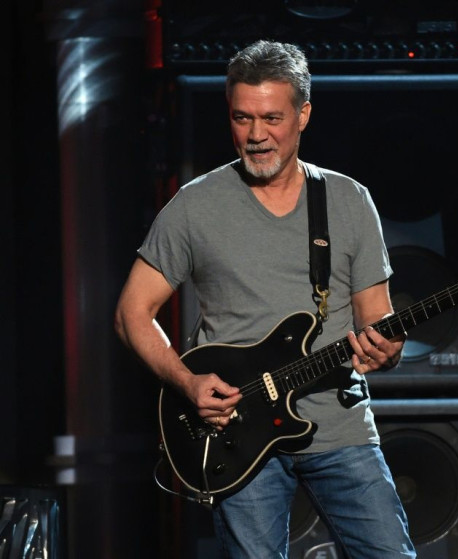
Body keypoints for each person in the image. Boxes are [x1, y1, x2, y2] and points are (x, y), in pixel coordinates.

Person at [114, 39, 416, 558]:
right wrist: (187, 381)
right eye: (242, 118)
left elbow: (378, 323)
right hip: (236, 433)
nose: (255, 136)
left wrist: (387, 350)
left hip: (339, 427)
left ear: (303, 115)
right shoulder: (194, 207)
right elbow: (130, 314)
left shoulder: (348, 200)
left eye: (271, 118)